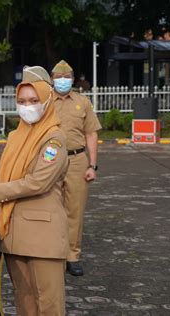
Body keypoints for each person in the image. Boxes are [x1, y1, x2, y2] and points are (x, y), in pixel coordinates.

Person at [0, 66, 69, 315]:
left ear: (47, 101)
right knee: (24, 300)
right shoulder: (16, 136)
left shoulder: (54, 138)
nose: (28, 106)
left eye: (34, 100)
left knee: (48, 303)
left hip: (42, 236)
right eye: (22, 101)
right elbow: (4, 177)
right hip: (14, 234)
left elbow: (38, 182)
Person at [50, 60, 102, 276]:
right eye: (58, 77)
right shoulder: (43, 102)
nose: (63, 80)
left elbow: (91, 133)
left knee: (75, 210)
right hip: (49, 160)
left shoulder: (83, 102)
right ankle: (52, 254)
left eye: (67, 77)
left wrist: (92, 165)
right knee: (50, 209)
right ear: (51, 79)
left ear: (73, 79)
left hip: (77, 160)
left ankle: (72, 256)